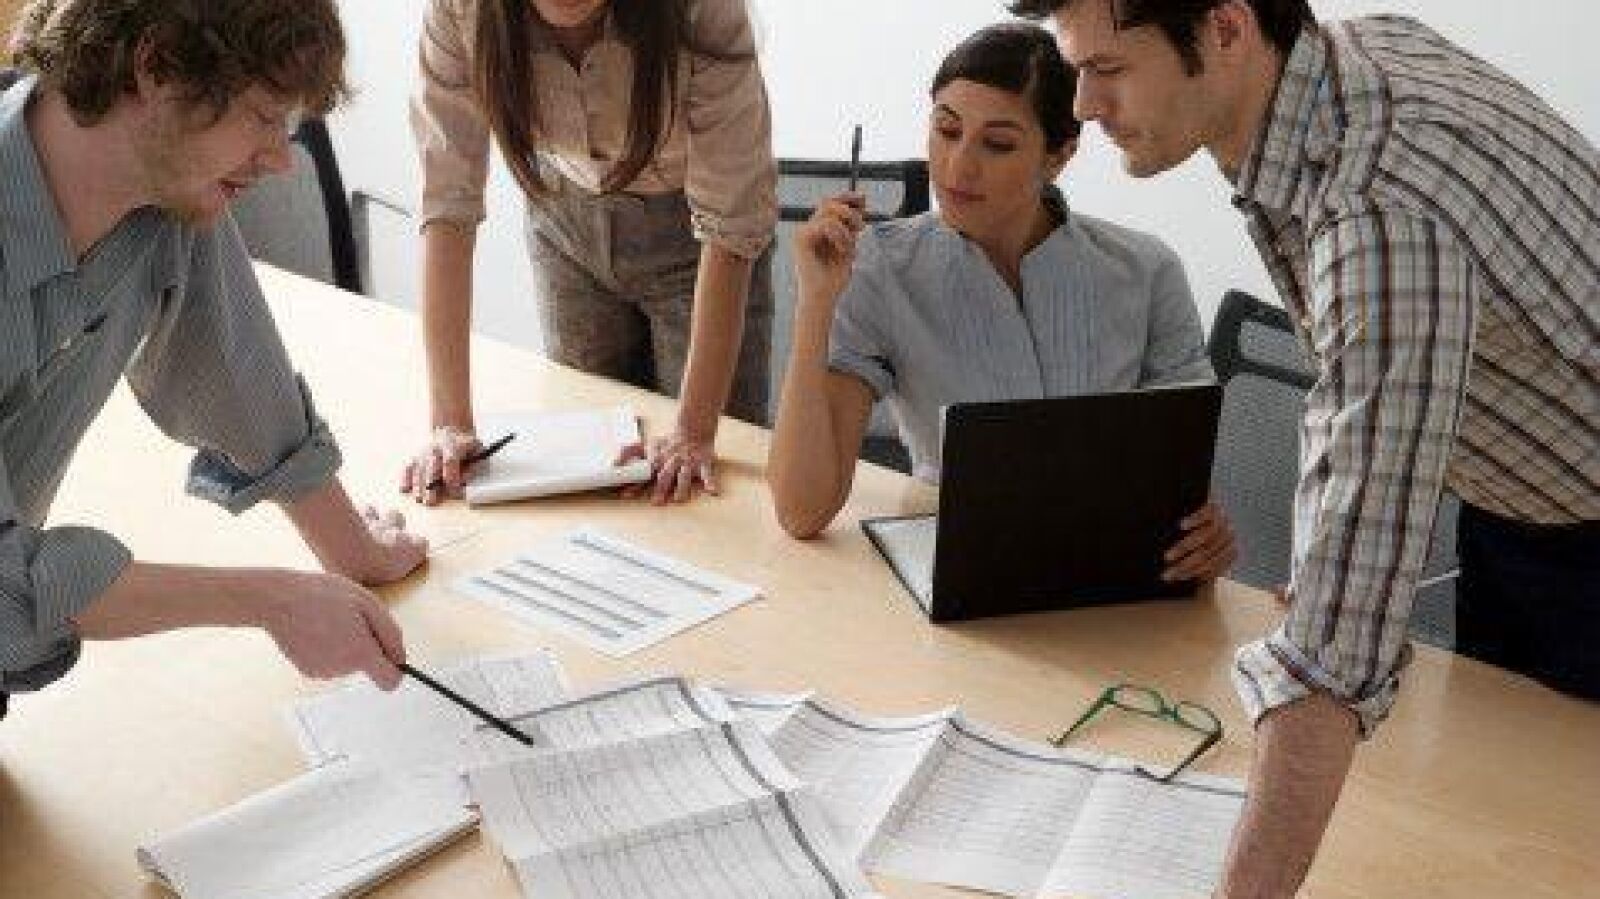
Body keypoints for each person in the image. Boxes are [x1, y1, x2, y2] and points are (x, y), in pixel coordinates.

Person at [1023, 0, 1600, 894]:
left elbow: (1332, 658)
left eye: (1108, 69)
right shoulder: (1355, 56)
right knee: (1494, 826)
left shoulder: (1381, 211)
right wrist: (1344, 544)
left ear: (1226, 27)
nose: (1084, 106)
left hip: (1582, 541)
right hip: (1521, 509)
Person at [0, 0, 426, 721]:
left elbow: (240, 378)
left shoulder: (170, 191)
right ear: (156, 67)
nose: (283, 159)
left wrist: (354, 554)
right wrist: (272, 600)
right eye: (264, 117)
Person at [767, 22, 1237, 586]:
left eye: (997, 144)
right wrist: (816, 302)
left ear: (1059, 155)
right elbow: (802, 510)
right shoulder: (878, 269)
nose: (958, 167)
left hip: (1108, 577)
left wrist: (1203, 533)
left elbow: (1180, 481)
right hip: (955, 572)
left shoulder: (1147, 271)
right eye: (946, 131)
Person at [403, 0, 777, 506]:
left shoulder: (703, 11)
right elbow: (447, 206)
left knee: (709, 482)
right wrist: (450, 424)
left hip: (699, 244)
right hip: (565, 227)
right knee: (587, 474)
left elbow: (729, 223)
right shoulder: (460, 10)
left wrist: (693, 433)